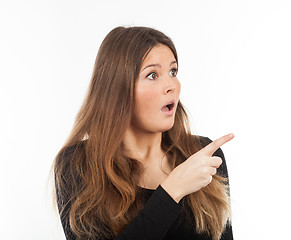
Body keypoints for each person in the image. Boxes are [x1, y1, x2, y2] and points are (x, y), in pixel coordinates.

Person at [53, 26, 234, 240]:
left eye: (173, 72)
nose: (171, 86)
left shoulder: (202, 154)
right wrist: (172, 191)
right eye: (152, 75)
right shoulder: (78, 164)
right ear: (117, 89)